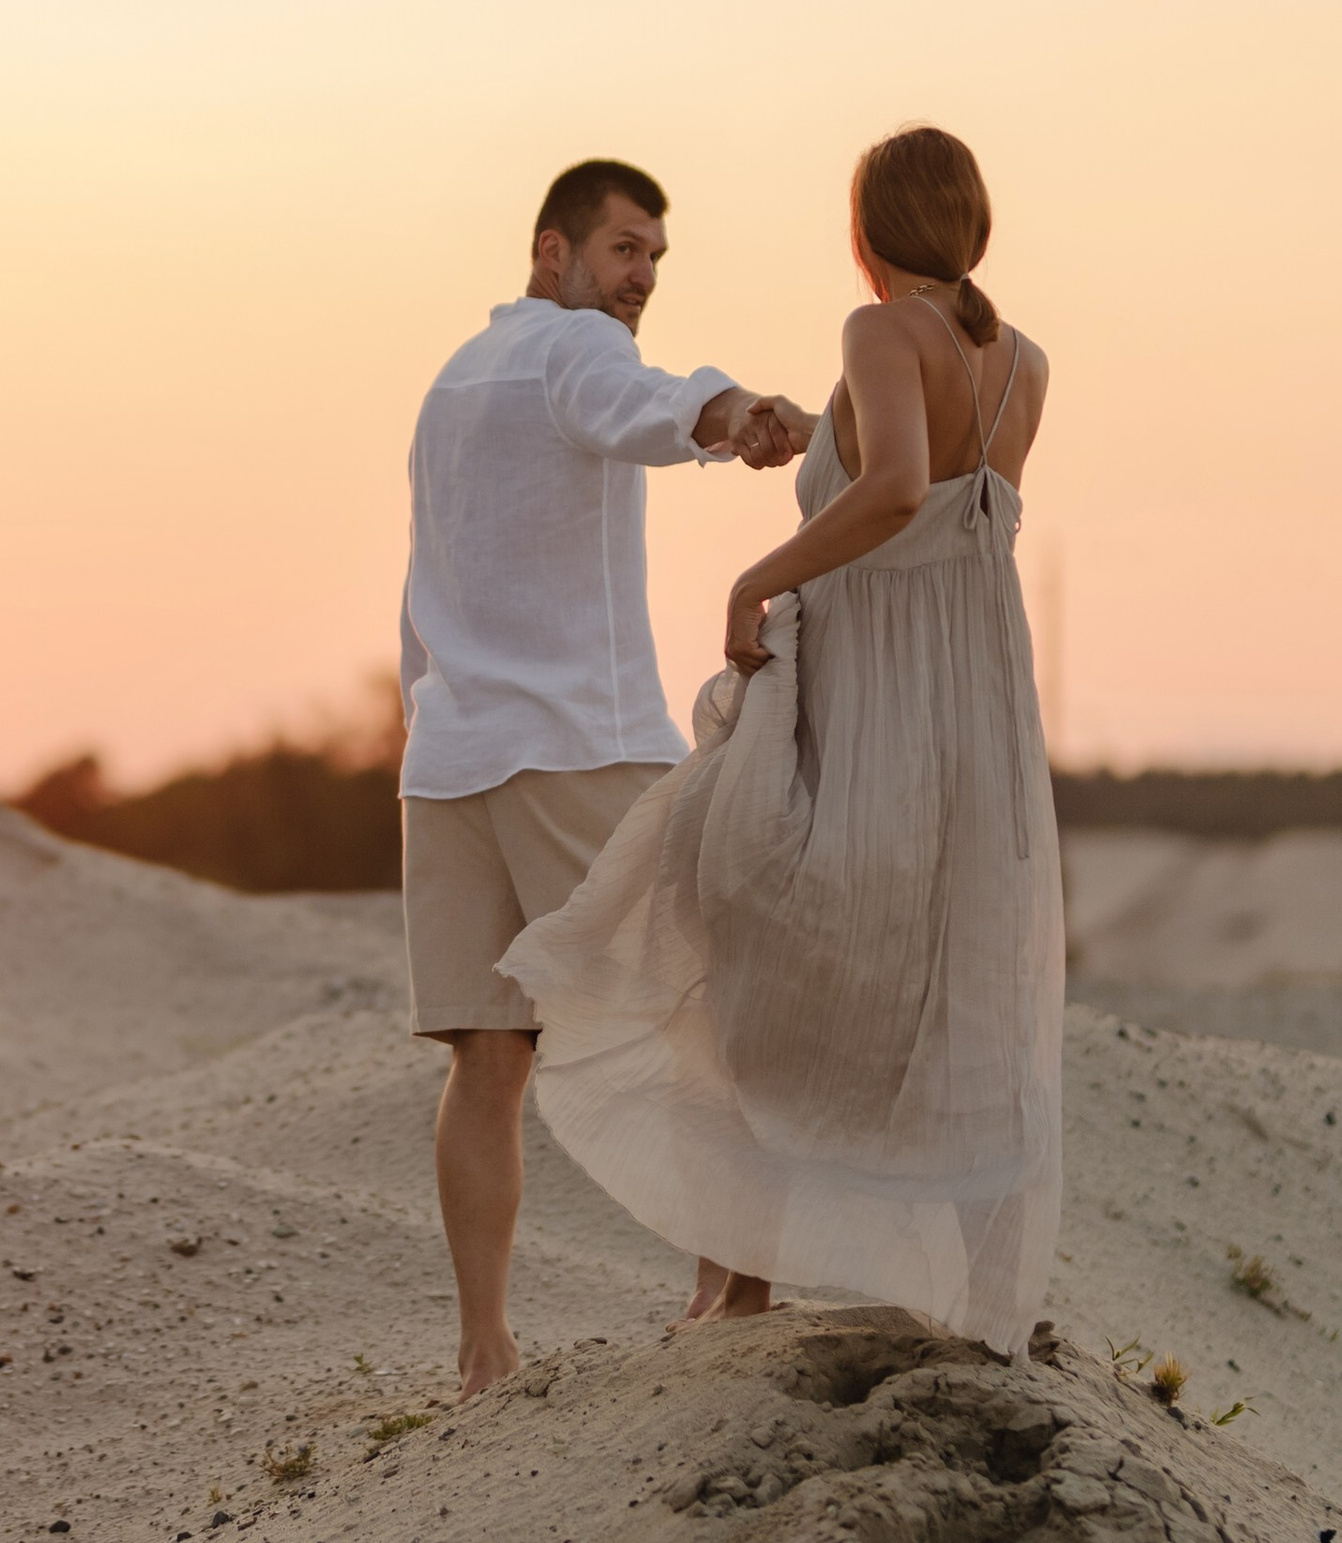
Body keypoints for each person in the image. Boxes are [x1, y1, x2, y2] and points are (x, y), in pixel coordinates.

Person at [503, 126, 1062, 1361]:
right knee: (959, 987)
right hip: (974, 712)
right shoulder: (1020, 362)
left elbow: (897, 491)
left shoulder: (877, 329)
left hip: (865, 697)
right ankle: (984, 1305)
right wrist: (807, 436)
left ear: (868, 231)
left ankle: (744, 1283)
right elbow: (908, 481)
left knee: (738, 930)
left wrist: (754, 578)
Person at [399, 158, 813, 1399]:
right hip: (578, 743)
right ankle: (735, 1283)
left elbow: (417, 590)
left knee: (485, 1058)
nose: (638, 280)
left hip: (451, 755)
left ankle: (484, 1350)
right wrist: (735, 413)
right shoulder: (562, 351)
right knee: (697, 996)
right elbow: (644, 400)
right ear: (551, 252)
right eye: (624, 250)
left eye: (652, 260)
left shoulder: (447, 387)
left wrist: (416, 724)